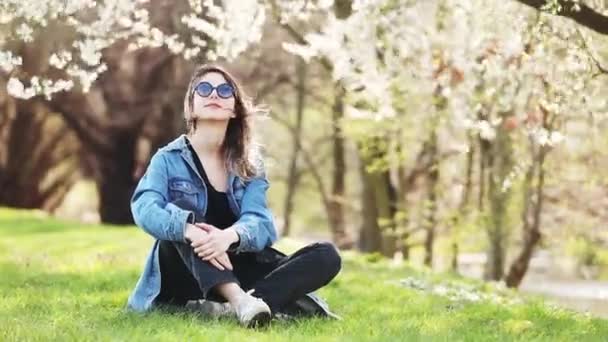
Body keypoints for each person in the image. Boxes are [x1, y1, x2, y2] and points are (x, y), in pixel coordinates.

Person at [126, 64, 342, 328]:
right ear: (190, 107)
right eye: (204, 89)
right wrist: (190, 231)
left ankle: (247, 304)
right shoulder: (167, 159)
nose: (214, 94)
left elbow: (261, 224)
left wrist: (227, 237)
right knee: (181, 210)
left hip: (237, 264)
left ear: (235, 107)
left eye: (224, 90)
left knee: (326, 255)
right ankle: (241, 303)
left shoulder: (249, 165)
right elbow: (145, 207)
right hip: (184, 271)